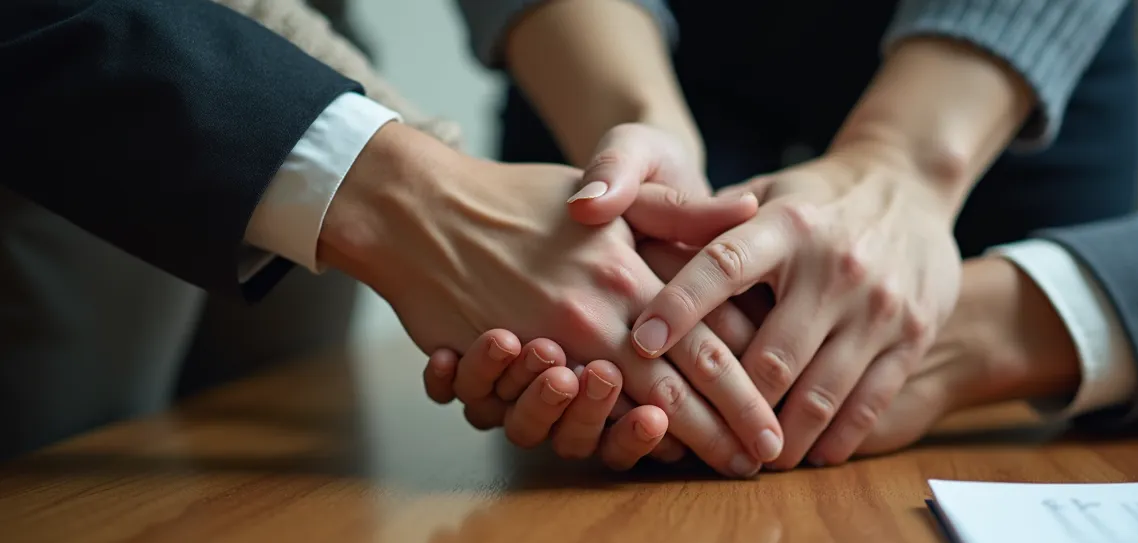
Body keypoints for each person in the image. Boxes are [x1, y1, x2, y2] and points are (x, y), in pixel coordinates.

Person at [0, 0, 787, 478]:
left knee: (273, 517)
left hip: (307, 76)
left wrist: (644, 134)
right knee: (72, 493)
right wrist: (414, 191)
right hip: (75, 77)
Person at [458, 0, 1138, 468]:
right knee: (611, 329)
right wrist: (634, 129)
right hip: (603, 29)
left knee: (1045, 397)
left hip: (992, 46)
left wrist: (906, 163)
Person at [430, 159, 1138, 468]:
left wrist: (975, 323)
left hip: (997, 128)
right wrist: (636, 133)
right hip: (603, 108)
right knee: (587, 317)